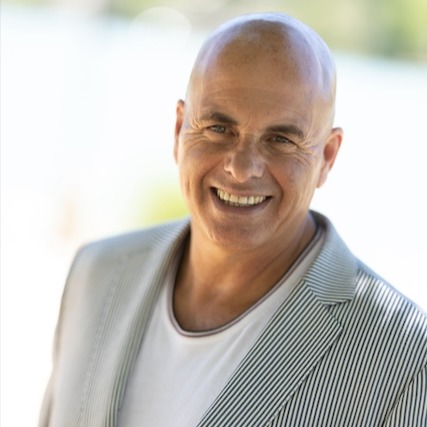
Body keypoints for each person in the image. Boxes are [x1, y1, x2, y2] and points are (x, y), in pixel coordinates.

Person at [39, 12, 427, 427]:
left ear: (327, 157)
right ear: (178, 130)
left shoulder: (405, 361)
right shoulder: (95, 273)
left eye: (281, 139)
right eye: (219, 128)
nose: (242, 169)